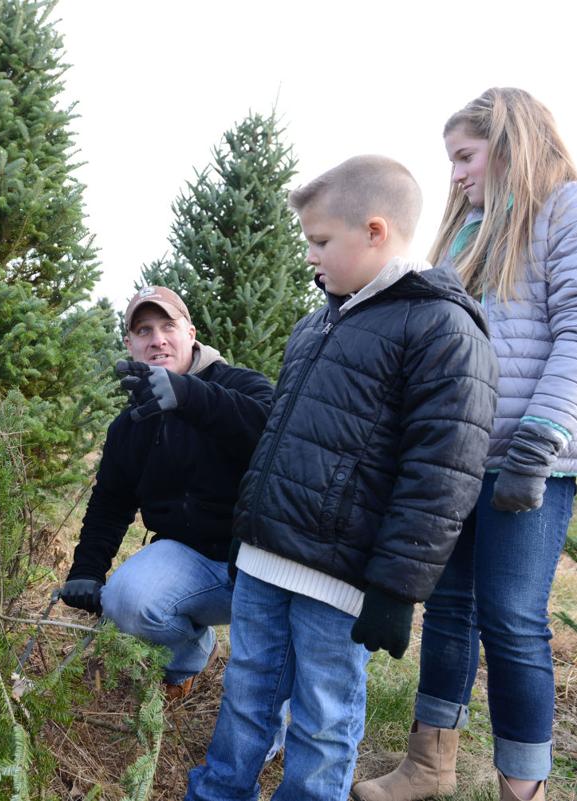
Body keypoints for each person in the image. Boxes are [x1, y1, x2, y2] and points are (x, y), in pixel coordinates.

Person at [351, 88, 577, 801]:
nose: (455, 175)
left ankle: (524, 791)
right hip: (460, 455)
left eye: (465, 156)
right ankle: (430, 764)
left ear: (511, 144)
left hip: (529, 455)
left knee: (512, 617)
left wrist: (538, 442)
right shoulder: (471, 234)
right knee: (450, 605)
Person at [186, 155, 498, 801]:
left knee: (323, 717)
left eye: (321, 240)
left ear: (375, 231)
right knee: (246, 693)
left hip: (342, 578)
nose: (310, 255)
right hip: (267, 560)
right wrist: (247, 533)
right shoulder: (315, 324)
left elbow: (442, 472)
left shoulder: (441, 327)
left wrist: (396, 588)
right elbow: (279, 438)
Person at [59, 285, 273, 700]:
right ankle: (188, 659)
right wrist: (86, 569)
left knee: (264, 676)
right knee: (124, 600)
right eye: (144, 330)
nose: (157, 339)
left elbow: (270, 432)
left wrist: (189, 397)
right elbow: (110, 503)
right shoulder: (130, 424)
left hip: (260, 561)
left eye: (167, 326)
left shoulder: (241, 384)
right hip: (190, 560)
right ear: (130, 345)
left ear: (190, 333)